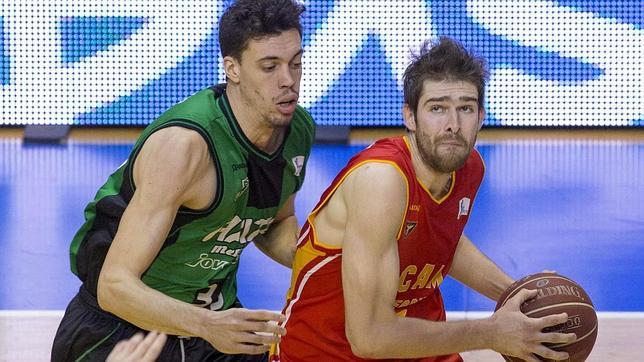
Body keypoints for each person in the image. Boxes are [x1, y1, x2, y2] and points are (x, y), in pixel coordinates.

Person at [271, 37, 576, 362]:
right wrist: (491, 333)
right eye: (437, 108)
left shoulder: (469, 166)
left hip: (414, 344)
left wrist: (517, 294)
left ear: (481, 116)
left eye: (466, 108)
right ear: (410, 117)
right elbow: (369, 338)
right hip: (327, 353)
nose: (453, 125)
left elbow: (440, 242)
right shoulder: (382, 180)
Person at [51, 0, 314, 360]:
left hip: (213, 322)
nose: (288, 80)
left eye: (296, 63)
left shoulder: (297, 130)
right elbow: (114, 286)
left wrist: (325, 259)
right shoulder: (184, 148)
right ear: (232, 68)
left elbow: (275, 222)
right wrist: (208, 325)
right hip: (124, 329)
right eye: (269, 67)